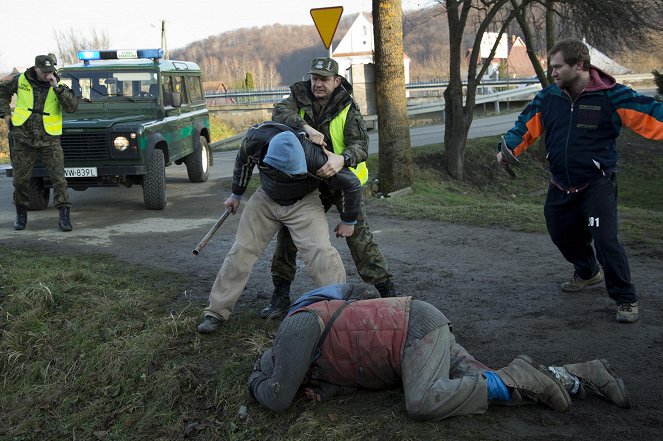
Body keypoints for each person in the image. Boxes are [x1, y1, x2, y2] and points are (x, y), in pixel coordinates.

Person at [248, 282, 631, 419]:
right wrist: (330, 388)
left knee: (425, 401)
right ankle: (583, 374)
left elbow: (278, 398)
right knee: (490, 385)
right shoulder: (315, 349)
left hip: (415, 331)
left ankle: (523, 374)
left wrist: (256, 379)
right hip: (419, 331)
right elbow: (357, 361)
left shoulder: (294, 329)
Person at [497, 38, 663, 323]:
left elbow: (652, 114)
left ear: (581, 66)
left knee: (606, 240)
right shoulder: (549, 97)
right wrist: (508, 148)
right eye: (552, 67)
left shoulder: (613, 96)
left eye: (558, 67)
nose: (553, 73)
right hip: (561, 182)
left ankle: (625, 299)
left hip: (597, 182)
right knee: (560, 232)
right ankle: (588, 272)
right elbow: (524, 125)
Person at [196, 121, 362, 334]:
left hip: (303, 202)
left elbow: (352, 184)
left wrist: (349, 221)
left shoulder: (315, 156)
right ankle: (216, 312)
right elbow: (243, 161)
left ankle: (338, 309)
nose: (290, 176)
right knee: (241, 250)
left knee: (320, 251)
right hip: (266, 198)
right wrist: (236, 194)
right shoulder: (255, 139)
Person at [262, 57, 394, 319]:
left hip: (343, 182)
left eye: (324, 79)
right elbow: (279, 113)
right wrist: (306, 127)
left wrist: (340, 159)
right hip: (308, 182)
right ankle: (280, 295)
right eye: (314, 78)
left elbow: (361, 146)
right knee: (288, 236)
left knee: (360, 239)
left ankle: (388, 293)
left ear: (336, 80)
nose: (318, 84)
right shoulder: (298, 95)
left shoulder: (347, 106)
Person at [0, 53, 78, 231]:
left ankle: (64, 216)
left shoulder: (58, 85)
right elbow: (2, 91)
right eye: (44, 71)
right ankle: (21, 214)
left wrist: (56, 87)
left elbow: (72, 107)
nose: (47, 74)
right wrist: (5, 113)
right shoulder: (20, 80)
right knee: (20, 180)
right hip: (23, 137)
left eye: (50, 71)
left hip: (49, 139)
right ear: (36, 68)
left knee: (59, 179)